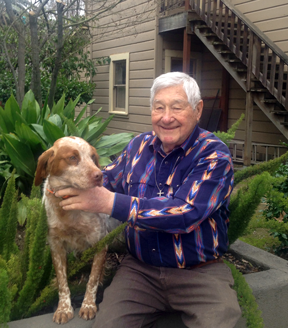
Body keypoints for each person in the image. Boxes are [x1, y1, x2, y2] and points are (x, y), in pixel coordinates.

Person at [56, 72, 241, 328]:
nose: (166, 118)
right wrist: (64, 184)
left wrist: (109, 203)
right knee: (107, 324)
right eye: (159, 108)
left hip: (199, 273)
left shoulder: (213, 154)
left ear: (197, 110)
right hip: (140, 272)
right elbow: (107, 178)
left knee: (220, 322)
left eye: (177, 107)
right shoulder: (138, 147)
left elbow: (185, 212)